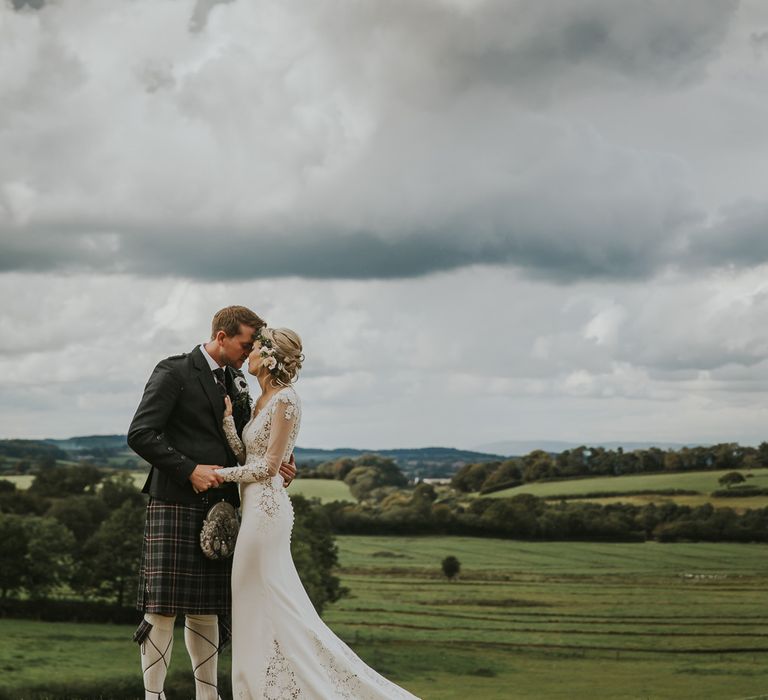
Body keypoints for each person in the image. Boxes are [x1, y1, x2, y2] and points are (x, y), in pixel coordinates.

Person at [217, 326, 420, 699]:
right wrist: (230, 422)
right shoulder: (262, 400)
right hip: (254, 511)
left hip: (266, 511)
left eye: (255, 349)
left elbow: (268, 468)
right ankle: (258, 688)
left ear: (270, 357)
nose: (248, 355)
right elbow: (250, 457)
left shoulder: (286, 401)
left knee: (269, 600)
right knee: (250, 600)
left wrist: (215, 475)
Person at [127, 306, 297, 700]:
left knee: (206, 608)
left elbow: (249, 438)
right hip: (174, 500)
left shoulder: (237, 379)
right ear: (222, 337)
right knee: (163, 606)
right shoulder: (174, 372)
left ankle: (208, 695)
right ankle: (153, 696)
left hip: (221, 506)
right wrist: (189, 470)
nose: (250, 350)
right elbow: (140, 433)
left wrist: (279, 461)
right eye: (245, 343)